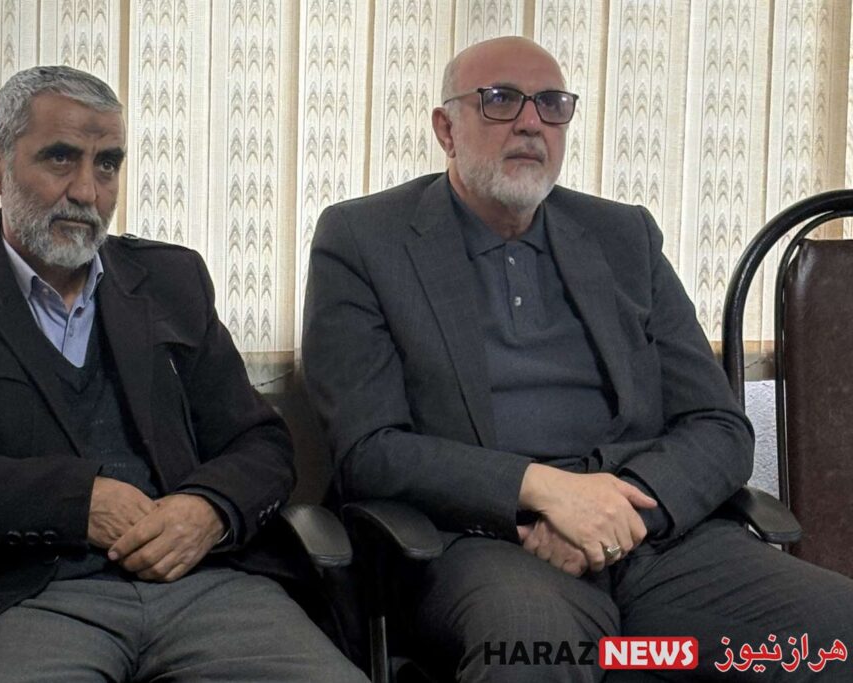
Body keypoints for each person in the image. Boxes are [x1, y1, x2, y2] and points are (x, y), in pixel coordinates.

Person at [302, 37, 853, 681]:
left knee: (838, 633)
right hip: (486, 544)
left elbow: (719, 424)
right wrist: (545, 491)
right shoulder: (365, 239)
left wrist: (622, 512)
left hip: (653, 539)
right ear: (446, 129)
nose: (530, 122)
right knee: (535, 653)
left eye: (552, 104)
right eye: (501, 100)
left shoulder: (624, 236)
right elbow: (369, 450)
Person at [0, 65, 366, 683]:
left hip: (203, 586)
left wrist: (209, 509)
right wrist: (75, 504)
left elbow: (261, 442)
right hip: (24, 600)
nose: (87, 192)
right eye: (60, 158)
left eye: (108, 164)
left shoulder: (171, 281)